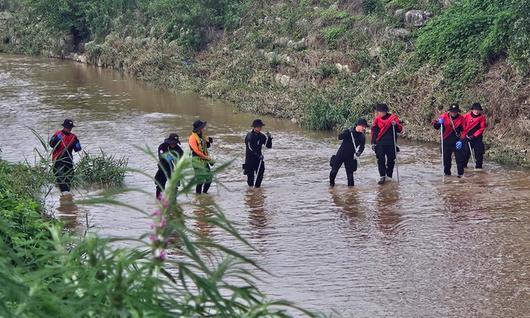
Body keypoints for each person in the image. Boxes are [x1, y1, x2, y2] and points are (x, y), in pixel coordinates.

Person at [371, 103, 403, 185]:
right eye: (378, 112)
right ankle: (382, 176)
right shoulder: (377, 119)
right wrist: (373, 143)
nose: (378, 113)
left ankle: (389, 176)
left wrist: (395, 124)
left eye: (380, 112)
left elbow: (399, 129)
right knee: (380, 160)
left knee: (391, 160)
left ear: (384, 112)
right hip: (380, 142)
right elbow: (374, 131)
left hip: (391, 143)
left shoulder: (393, 118)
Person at [329, 118, 367, 187]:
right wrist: (345, 132)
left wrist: (359, 152)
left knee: (350, 178)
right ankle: (331, 187)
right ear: (358, 125)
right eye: (363, 126)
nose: (364, 128)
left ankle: (351, 194)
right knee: (333, 172)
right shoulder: (350, 132)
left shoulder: (362, 137)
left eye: (365, 127)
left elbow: (362, 147)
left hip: (350, 156)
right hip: (341, 154)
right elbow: (339, 137)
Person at [49, 119, 82, 193]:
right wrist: (57, 139)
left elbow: (78, 149)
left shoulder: (73, 137)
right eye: (67, 127)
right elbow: (51, 144)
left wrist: (77, 144)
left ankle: (66, 195)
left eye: (70, 127)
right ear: (64, 127)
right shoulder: (57, 134)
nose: (69, 129)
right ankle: (65, 194)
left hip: (68, 160)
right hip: (58, 160)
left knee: (69, 178)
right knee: (60, 177)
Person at [433, 103, 466, 177]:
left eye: (455, 111)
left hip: (457, 142)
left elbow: (464, 131)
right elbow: (436, 126)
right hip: (446, 141)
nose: (454, 113)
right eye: (452, 111)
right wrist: (438, 123)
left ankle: (460, 176)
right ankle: (447, 176)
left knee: (460, 160)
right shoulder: (444, 116)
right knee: (446, 161)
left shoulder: (461, 118)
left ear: (458, 111)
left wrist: (461, 141)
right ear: (450, 111)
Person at [244, 119, 272, 188]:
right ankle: (250, 190)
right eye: (259, 126)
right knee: (250, 179)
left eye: (261, 126)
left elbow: (268, 146)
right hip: (250, 159)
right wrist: (258, 155)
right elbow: (250, 148)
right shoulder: (249, 136)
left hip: (259, 160)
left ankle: (257, 189)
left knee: (260, 174)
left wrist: (269, 138)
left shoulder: (262, 136)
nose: (260, 128)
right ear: (254, 127)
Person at [154, 133, 184, 199]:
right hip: (163, 167)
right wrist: (171, 158)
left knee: (175, 186)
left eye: (175, 143)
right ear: (169, 141)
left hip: (173, 169)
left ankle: (173, 201)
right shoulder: (162, 146)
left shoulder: (179, 150)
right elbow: (161, 157)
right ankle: (159, 201)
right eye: (172, 142)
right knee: (160, 185)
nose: (174, 144)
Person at [188, 120, 214, 194]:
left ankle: (204, 194)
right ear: (198, 129)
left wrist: (209, 141)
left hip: (204, 160)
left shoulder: (202, 136)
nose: (203, 128)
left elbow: (206, 147)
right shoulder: (192, 138)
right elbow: (196, 151)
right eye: (202, 127)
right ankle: (198, 196)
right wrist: (207, 158)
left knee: (209, 178)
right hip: (197, 160)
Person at [462, 102, 487, 170]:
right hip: (466, 137)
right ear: (472, 110)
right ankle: (464, 167)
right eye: (475, 109)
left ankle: (479, 168)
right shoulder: (465, 116)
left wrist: (473, 136)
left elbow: (482, 128)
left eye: (478, 110)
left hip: (477, 138)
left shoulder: (482, 118)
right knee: (465, 153)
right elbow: (461, 125)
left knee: (479, 153)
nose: (476, 111)